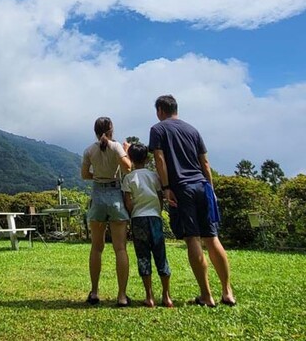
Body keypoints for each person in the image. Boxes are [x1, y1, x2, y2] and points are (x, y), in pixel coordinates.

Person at [148, 95, 236, 307]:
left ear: (160, 110)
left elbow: (159, 158)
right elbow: (205, 163)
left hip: (182, 189)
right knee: (212, 238)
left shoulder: (158, 129)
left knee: (193, 239)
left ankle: (206, 295)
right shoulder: (193, 130)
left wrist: (166, 187)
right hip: (202, 186)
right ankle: (227, 292)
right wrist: (210, 189)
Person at [81, 116, 132, 306]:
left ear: (95, 131)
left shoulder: (89, 150)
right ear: (111, 130)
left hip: (98, 195)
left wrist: (98, 176)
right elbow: (128, 168)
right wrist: (126, 151)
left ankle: (94, 292)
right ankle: (122, 296)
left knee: (96, 247)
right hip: (114, 193)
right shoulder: (116, 146)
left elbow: (84, 175)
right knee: (120, 248)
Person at [122, 143, 173, 308]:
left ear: (130, 158)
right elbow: (160, 197)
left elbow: (128, 202)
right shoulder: (154, 176)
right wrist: (157, 210)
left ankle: (149, 296)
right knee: (160, 254)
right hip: (155, 218)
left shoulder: (128, 178)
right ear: (147, 158)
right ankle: (166, 296)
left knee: (143, 256)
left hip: (138, 219)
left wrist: (133, 212)